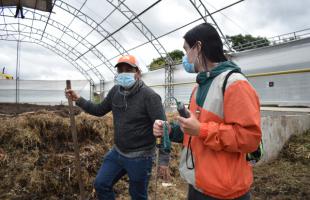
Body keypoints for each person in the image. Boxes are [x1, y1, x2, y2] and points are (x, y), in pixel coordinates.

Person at [153, 23, 262, 200]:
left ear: (198, 47)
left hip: (225, 192)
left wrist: (202, 130)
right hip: (198, 183)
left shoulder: (235, 84)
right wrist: (170, 130)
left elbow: (250, 138)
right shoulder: (200, 85)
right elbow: (194, 131)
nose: (185, 57)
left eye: (186, 50)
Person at [66, 55, 169, 200]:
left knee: (138, 195)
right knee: (101, 184)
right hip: (118, 152)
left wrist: (164, 160)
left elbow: (163, 127)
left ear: (138, 73)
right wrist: (79, 99)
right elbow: (99, 109)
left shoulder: (150, 96)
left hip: (140, 156)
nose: (124, 73)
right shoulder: (115, 91)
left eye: (128, 70)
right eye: (120, 70)